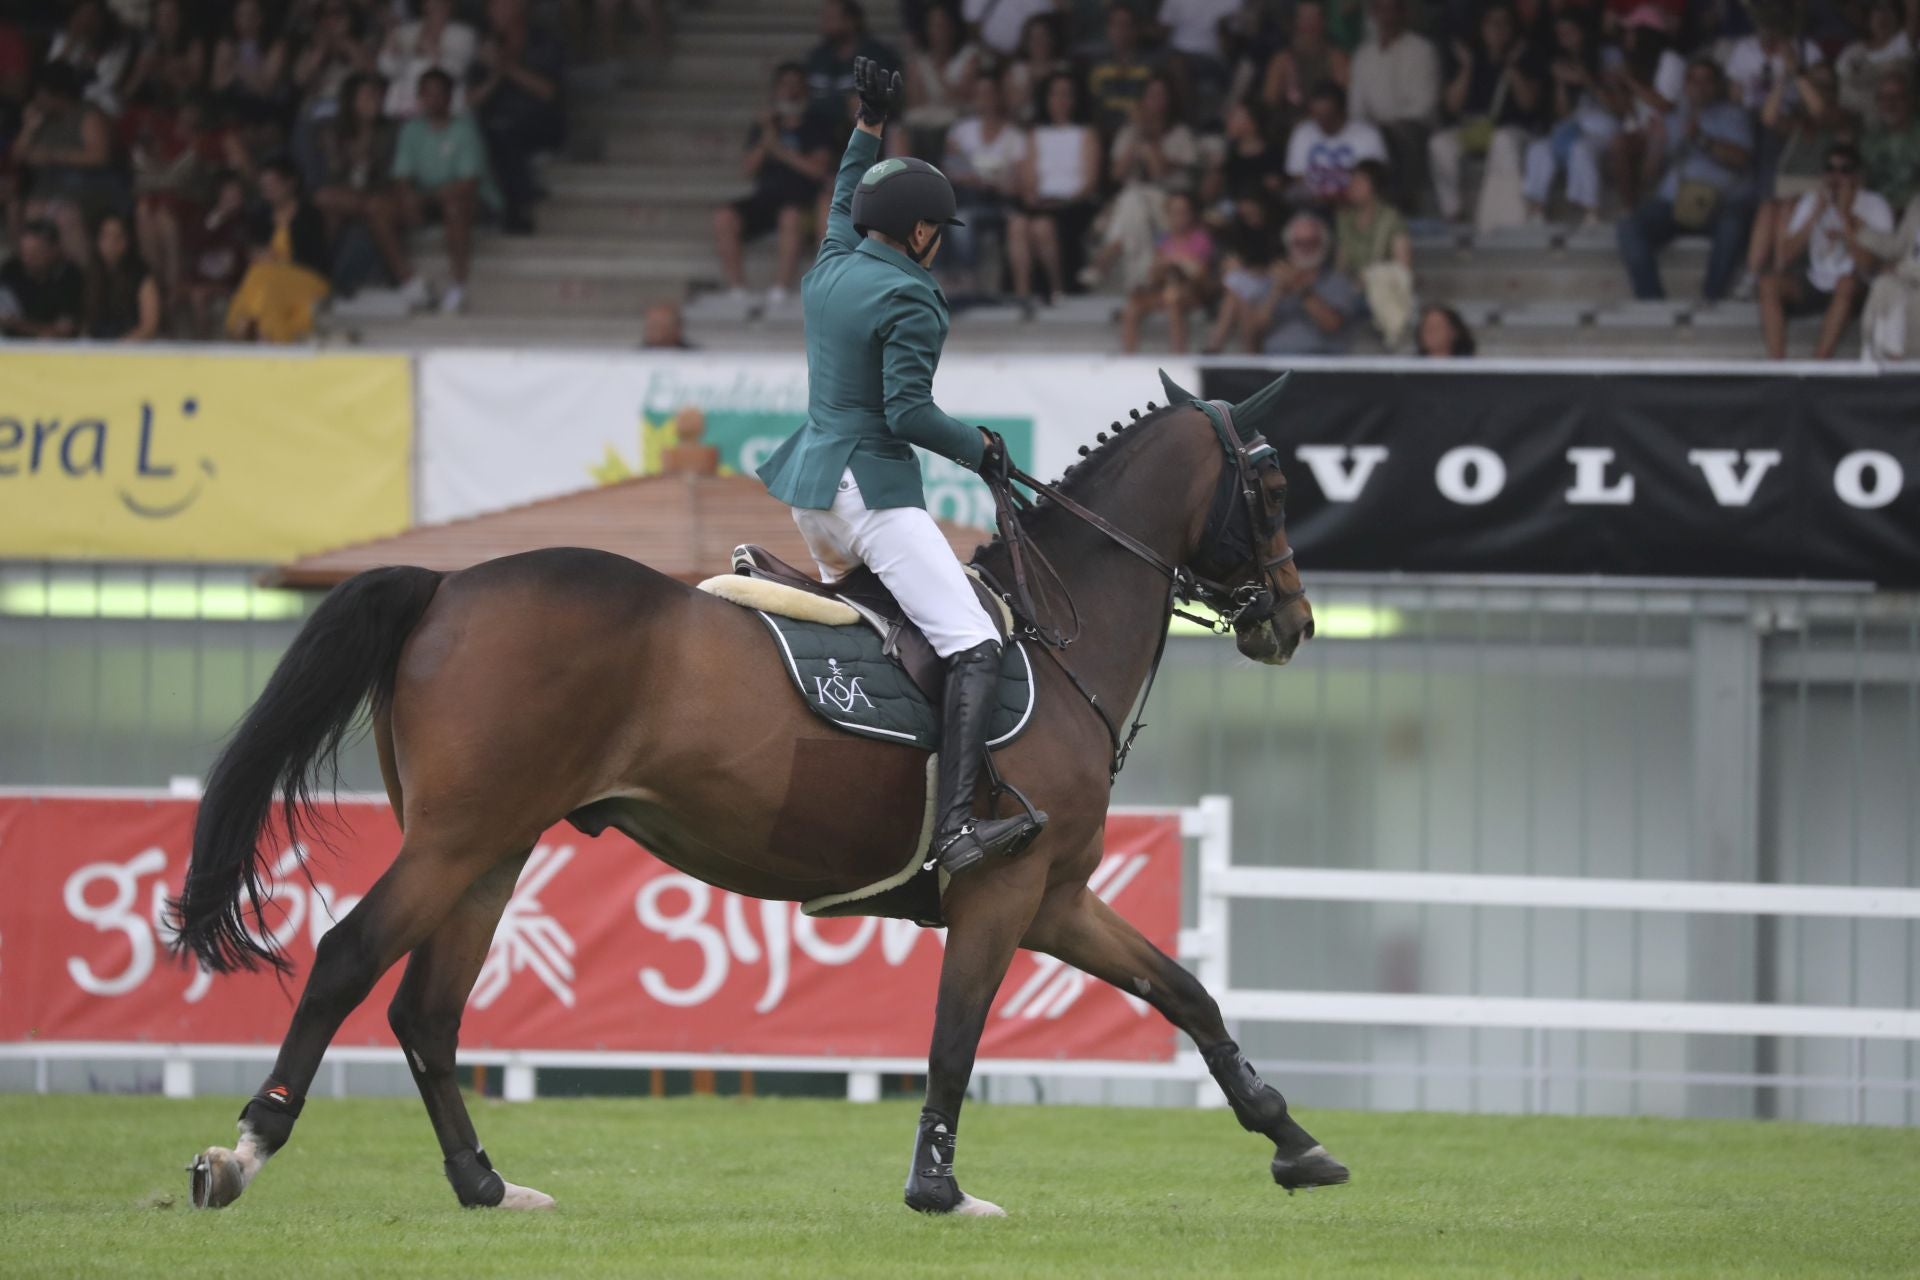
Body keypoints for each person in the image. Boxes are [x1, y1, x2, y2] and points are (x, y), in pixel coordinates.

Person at [756, 58, 1046, 878]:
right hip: (869, 492)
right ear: (920, 230)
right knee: (974, 642)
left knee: (899, 631)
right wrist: (981, 449)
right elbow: (906, 415)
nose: (934, 245)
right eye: (934, 231)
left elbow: (848, 194)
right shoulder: (913, 297)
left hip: (811, 493)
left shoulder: (833, 263)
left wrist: (869, 123)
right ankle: (954, 830)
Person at [1615, 58, 1755, 302]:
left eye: (1706, 80)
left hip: (1719, 204)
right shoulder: (1672, 116)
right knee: (1629, 227)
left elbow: (1741, 159)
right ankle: (1652, 301)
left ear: (1716, 85)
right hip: (1674, 203)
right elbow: (1649, 178)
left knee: (1734, 224)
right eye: (1693, 80)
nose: (1699, 86)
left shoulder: (1734, 114)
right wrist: (1656, 146)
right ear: (1685, 85)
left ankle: (1712, 299)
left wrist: (1701, 139)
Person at [713, 63, 834, 309]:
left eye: (794, 85)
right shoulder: (765, 127)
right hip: (766, 198)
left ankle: (781, 287)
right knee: (723, 217)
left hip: (802, 201)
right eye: (784, 85)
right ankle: (737, 289)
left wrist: (782, 152)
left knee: (790, 216)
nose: (789, 92)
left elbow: (818, 170)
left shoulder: (817, 124)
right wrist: (767, 137)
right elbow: (748, 170)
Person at [1757, 143, 1891, 358]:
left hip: (1860, 286)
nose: (1836, 176)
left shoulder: (1875, 204)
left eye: (1844, 170)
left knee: (1846, 283)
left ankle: (1819, 363)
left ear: (1857, 176)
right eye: (1830, 169)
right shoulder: (1813, 201)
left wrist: (1845, 216)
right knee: (1768, 283)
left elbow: (1872, 264)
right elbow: (1785, 257)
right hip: (1817, 281)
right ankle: (1777, 365)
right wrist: (1815, 215)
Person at [317, 72, 429, 306]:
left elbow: (393, 176)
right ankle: (318, 277)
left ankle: (407, 280)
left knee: (376, 208)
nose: (375, 100)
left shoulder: (392, 130)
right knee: (327, 204)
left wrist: (368, 149)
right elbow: (333, 177)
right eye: (368, 95)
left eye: (378, 95)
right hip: (349, 196)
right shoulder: (334, 132)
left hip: (383, 195)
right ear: (352, 100)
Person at [1084, 74, 1203, 291]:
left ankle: (1109, 254)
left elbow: (1158, 173)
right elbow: (1117, 175)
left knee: (1134, 199)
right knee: (1134, 202)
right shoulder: (1129, 132)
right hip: (1133, 200)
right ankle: (1139, 283)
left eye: (1161, 95)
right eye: (1151, 96)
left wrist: (1148, 138)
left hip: (1169, 201)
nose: (1156, 101)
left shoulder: (1180, 134)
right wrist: (1136, 133)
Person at [1429, 2, 1540, 231]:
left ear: (1513, 28)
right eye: (1492, 23)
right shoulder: (1471, 57)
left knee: (1502, 140)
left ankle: (1503, 223)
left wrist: (1511, 66)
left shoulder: (1526, 55)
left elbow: (1529, 104)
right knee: (1439, 144)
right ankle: (1454, 214)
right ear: (1481, 27)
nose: (1498, 29)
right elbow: (1451, 105)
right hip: (1475, 132)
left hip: (1515, 134)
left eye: (1504, 23)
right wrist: (1467, 68)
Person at [392, 68, 496, 312]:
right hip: (430, 200)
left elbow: (468, 183)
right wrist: (408, 197)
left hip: (472, 201)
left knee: (454, 205)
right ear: (420, 97)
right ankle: (409, 282)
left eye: (440, 94)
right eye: (427, 94)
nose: (433, 99)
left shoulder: (465, 129)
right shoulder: (411, 129)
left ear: (450, 97)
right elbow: (401, 176)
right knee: (378, 208)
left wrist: (422, 198)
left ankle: (458, 285)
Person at [467, 0, 565, 235]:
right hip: (496, 125)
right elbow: (472, 98)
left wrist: (506, 66)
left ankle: (518, 206)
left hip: (542, 122)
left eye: (501, 5)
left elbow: (548, 91)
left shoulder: (544, 41)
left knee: (503, 132)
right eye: (491, 7)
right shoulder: (486, 46)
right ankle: (512, 202)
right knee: (491, 132)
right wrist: (493, 73)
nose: (494, 11)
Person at [14, 62, 122, 268]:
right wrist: (28, 129)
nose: (37, 99)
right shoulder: (40, 118)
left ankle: (84, 276)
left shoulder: (87, 114)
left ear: (59, 95)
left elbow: (99, 156)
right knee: (29, 212)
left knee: (64, 215)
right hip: (50, 187)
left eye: (42, 93)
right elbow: (18, 158)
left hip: (89, 186)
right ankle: (35, 273)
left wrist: (54, 156)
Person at [1522, 12, 1620, 227]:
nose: (1564, 38)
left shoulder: (1608, 56)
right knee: (1539, 149)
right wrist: (1560, 83)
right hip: (1571, 126)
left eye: (1570, 32)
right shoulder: (1561, 62)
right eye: (1560, 34)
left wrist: (1587, 80)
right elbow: (1562, 114)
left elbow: (1618, 106)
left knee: (1581, 149)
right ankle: (1536, 212)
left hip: (1602, 127)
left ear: (1584, 33)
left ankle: (1591, 213)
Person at [1012, 70, 1101, 302]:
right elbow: (1028, 177)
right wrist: (1032, 196)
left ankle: (1057, 288)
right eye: (1055, 95)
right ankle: (1023, 294)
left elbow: (1090, 181)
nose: (1060, 101)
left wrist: (1065, 200)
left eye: (1066, 95)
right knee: (1018, 224)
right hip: (1042, 200)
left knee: (1042, 226)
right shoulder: (1036, 134)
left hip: (1074, 204)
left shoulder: (1086, 133)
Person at [942, 71, 1032, 296]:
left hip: (1000, 202)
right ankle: (959, 280)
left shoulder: (1015, 136)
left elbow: (1019, 182)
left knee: (964, 220)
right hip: (966, 197)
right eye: (980, 93)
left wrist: (993, 181)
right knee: (956, 217)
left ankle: (972, 282)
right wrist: (974, 178)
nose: (985, 99)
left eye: (990, 93)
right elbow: (950, 170)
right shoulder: (961, 131)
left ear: (999, 96)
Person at [224, 156, 332, 342]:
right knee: (261, 275)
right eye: (264, 186)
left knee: (262, 277)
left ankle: (246, 325)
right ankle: (262, 333)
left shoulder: (310, 215)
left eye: (272, 185)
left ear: (290, 183)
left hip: (306, 279)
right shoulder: (260, 216)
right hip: (269, 279)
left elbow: (314, 259)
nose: (268, 191)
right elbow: (251, 248)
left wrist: (278, 261)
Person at [1346, 0, 1440, 209]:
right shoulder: (1363, 55)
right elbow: (1356, 108)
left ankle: (1402, 206)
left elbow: (1424, 106)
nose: (1387, 16)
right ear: (1373, 14)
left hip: (1414, 129)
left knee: (1395, 135)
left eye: (1392, 9)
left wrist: (1386, 127)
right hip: (1375, 129)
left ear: (1402, 13)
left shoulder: (1422, 50)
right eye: (1381, 9)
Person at [1251, 210, 1363, 352]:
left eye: (1312, 242)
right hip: (1276, 363)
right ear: (1289, 246)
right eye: (1299, 243)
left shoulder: (1338, 281)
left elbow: (1332, 324)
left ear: (1323, 244)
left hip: (1319, 364)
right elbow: (1254, 332)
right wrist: (1276, 293)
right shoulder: (1273, 280)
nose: (1305, 248)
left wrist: (1300, 288)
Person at [1119, 187, 1214, 350]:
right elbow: (1154, 276)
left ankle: (1177, 357)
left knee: (1173, 299)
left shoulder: (1201, 238)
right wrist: (1162, 268)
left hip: (1192, 293)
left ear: (1191, 214)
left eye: (1182, 212)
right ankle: (1129, 358)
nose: (1178, 217)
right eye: (1173, 212)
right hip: (1164, 290)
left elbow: (1201, 276)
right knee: (1133, 306)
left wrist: (1180, 263)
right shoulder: (1163, 239)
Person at [1336, 157, 1414, 345]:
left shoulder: (1391, 218)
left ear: (1375, 186)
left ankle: (1394, 334)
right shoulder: (1344, 219)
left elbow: (1402, 267)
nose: (1353, 186)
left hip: (1381, 287)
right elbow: (1340, 265)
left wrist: (1368, 278)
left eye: (1359, 181)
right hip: (1352, 289)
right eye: (1352, 181)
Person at [1284, 81, 1386, 207]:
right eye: (1317, 115)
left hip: (1355, 203)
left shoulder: (1367, 135)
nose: (1322, 121)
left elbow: (1375, 180)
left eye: (1328, 115)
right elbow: (1298, 176)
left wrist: (1342, 198)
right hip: (1314, 205)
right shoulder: (1303, 132)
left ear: (1342, 110)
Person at [1851, 188, 1920, 360]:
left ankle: (1895, 361)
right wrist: (1861, 232)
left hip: (1911, 278)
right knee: (1884, 285)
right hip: (1910, 282)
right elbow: (1897, 247)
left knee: (1894, 289)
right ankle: (1882, 364)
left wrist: (1900, 270)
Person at [379, 0, 479, 119]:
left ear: (450, 5)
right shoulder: (407, 31)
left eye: (440, 4)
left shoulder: (464, 34)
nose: (435, 7)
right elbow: (387, 69)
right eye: (431, 3)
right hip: (406, 108)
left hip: (446, 110)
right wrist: (390, 43)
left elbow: (457, 71)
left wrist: (432, 51)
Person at [1261, 0, 1349, 133]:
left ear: (1323, 21)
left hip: (1328, 128)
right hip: (1290, 131)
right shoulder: (1282, 60)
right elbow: (1268, 103)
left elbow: (1344, 98)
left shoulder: (1336, 58)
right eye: (1304, 18)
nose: (1309, 24)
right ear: (1296, 22)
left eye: (1314, 18)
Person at [806, 0, 896, 118]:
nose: (824, 23)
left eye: (831, 18)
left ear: (851, 21)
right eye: (824, 17)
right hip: (820, 127)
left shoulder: (876, 56)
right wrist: (844, 103)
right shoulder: (817, 57)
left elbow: (876, 102)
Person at [0, 220, 86, 339]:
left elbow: (65, 330)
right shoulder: (11, 271)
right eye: (25, 253)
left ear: (54, 250)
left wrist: (20, 325)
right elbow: (4, 319)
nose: (28, 258)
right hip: (12, 347)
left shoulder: (70, 277)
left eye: (36, 252)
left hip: (57, 351)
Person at [83, 212, 163, 340]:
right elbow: (87, 324)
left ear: (127, 241)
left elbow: (149, 326)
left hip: (131, 350)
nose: (111, 243)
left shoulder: (141, 276)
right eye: (106, 236)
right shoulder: (92, 275)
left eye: (117, 237)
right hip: (97, 349)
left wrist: (118, 350)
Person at [1087, 3, 1162, 137]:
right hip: (1105, 129)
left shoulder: (1150, 67)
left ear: (1136, 30)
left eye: (1126, 25)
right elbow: (1094, 103)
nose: (1121, 31)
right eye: (1116, 25)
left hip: (1137, 129)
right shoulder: (1098, 67)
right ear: (1108, 29)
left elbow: (1153, 105)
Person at [1835, 0, 1917, 120]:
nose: (1883, 16)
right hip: (1853, 121)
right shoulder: (1851, 51)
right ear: (1868, 19)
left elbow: (1913, 14)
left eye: (1889, 11)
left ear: (1898, 18)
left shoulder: (1902, 44)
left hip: (1892, 120)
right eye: (1878, 11)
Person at [1864, 71, 1920, 213]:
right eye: (1883, 98)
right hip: (1878, 215)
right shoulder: (1869, 140)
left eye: (1897, 97)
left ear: (1911, 100)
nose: (1890, 104)